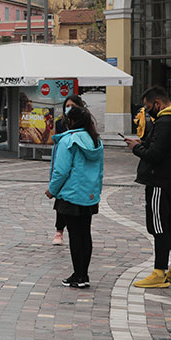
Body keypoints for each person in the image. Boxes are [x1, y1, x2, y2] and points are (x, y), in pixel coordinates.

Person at [125, 86, 171, 288]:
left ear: (157, 104)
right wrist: (144, 142)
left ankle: (159, 272)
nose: (148, 112)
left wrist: (136, 148)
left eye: (148, 108)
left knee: (158, 225)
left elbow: (155, 155)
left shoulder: (165, 122)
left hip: (159, 181)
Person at [46, 105, 103, 288]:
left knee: (75, 236)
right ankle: (83, 274)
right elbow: (100, 171)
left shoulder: (68, 140)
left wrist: (52, 190)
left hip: (70, 195)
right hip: (89, 194)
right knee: (85, 234)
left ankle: (78, 275)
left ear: (70, 121)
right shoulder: (95, 140)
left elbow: (61, 171)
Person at [51, 94, 86, 246]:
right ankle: (59, 230)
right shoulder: (60, 123)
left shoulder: (87, 128)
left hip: (78, 176)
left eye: (72, 106)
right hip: (63, 164)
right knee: (61, 201)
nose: (69, 109)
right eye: (67, 106)